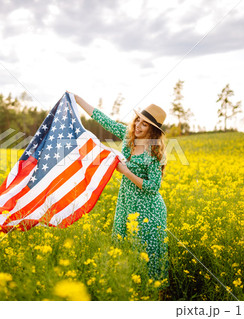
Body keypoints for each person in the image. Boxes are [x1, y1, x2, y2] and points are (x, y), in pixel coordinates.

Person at [70, 91, 170, 300]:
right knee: (124, 247)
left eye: (144, 125)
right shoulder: (128, 138)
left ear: (152, 130)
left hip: (149, 209)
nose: (138, 126)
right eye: (138, 121)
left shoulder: (154, 153)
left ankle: (154, 296)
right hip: (127, 203)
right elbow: (104, 120)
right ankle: (130, 291)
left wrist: (126, 172)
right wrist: (79, 101)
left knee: (149, 255)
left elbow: (153, 187)